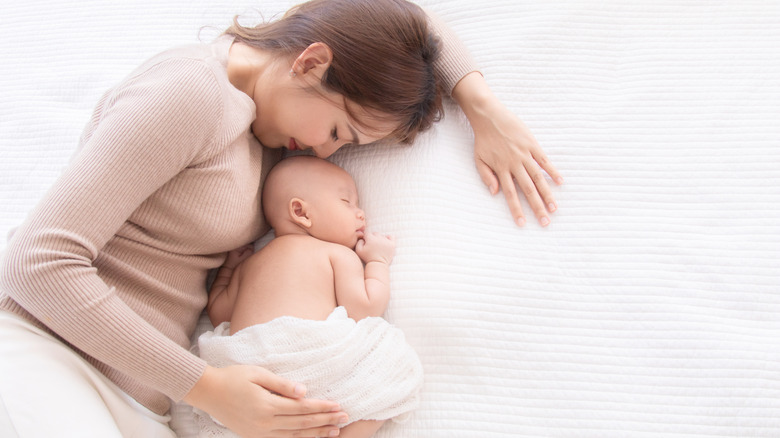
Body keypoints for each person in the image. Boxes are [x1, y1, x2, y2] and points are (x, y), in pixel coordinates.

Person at [0, 0, 562, 436]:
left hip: (142, 400)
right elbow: (38, 260)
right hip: (47, 351)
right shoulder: (190, 91)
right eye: (340, 132)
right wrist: (210, 388)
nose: (324, 153)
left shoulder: (272, 129)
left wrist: (480, 106)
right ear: (312, 61)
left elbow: (410, 20)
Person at [187, 155, 422, 438]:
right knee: (394, 361)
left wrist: (228, 268)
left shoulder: (251, 265)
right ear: (301, 212)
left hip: (252, 380)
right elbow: (366, 308)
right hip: (311, 363)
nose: (361, 214)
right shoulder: (336, 254)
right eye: (347, 202)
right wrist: (378, 262)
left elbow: (219, 313)